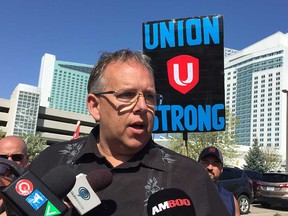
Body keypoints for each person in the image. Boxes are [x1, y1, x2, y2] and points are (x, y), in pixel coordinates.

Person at [28, 49, 230, 215]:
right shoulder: (52, 161)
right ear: (95, 106)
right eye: (127, 94)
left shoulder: (190, 175)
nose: (142, 106)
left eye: (150, 97)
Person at [198, 146, 240, 216]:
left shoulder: (231, 199)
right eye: (205, 162)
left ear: (221, 169)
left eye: (215, 163)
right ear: (197, 165)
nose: (210, 168)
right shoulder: (186, 195)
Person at [0, 136, 28, 215]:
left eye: (16, 157)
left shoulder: (33, 189)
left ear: (26, 159)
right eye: (2, 157)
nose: (9, 161)